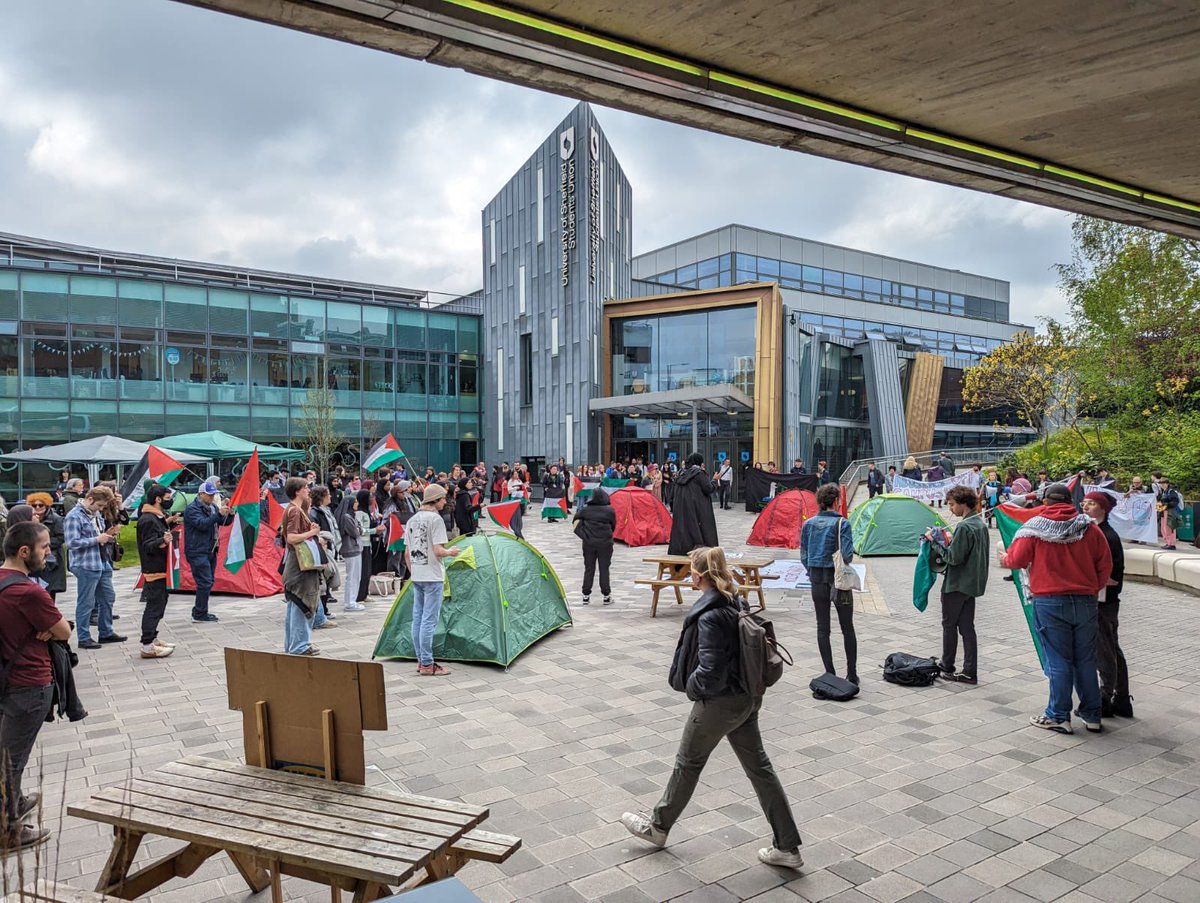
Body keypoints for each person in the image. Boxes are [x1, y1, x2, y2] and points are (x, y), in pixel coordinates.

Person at [620, 547, 803, 869]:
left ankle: (657, 827)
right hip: (747, 696)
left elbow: (710, 668)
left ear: (699, 575)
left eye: (692, 570)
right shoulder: (736, 601)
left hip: (720, 702)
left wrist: (692, 688)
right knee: (760, 769)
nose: (691, 575)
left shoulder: (710, 615)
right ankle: (787, 846)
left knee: (688, 763)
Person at [1000, 483, 1112, 734]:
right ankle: (1092, 714)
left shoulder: (1034, 528)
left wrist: (1004, 559)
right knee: (1085, 659)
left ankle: (1058, 715)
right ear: (1071, 500)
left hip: (1049, 601)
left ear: (1046, 502)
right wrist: (1093, 587)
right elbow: (1105, 564)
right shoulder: (1089, 528)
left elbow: (1016, 560)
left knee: (1058, 660)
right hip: (1085, 600)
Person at [0, 521, 71, 849]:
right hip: (28, 685)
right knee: (11, 760)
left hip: (7, 682)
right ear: (24, 551)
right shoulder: (29, 591)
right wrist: (54, 626)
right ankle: (8, 830)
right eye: (44, 547)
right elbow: (64, 632)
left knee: (8, 754)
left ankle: (14, 804)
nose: (50, 552)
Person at [928, 486, 988, 684]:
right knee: (967, 628)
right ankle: (969, 670)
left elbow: (953, 558)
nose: (951, 509)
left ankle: (947, 664)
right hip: (972, 584)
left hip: (957, 584)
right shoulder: (979, 523)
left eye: (952, 504)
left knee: (949, 625)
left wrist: (936, 543)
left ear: (963, 503)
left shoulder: (964, 526)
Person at [1081, 491, 1132, 719]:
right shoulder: (1098, 532)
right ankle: (1121, 698)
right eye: (1084, 503)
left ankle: (1106, 698)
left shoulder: (1106, 536)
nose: (1086, 507)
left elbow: (1112, 576)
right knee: (1112, 648)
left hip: (1104, 601)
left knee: (1105, 650)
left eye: (1091, 503)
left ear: (1103, 508)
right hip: (1105, 600)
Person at [800, 484, 857, 684]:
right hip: (838, 580)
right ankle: (852, 673)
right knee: (847, 627)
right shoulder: (843, 524)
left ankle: (830, 673)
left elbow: (804, 556)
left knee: (822, 627)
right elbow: (847, 556)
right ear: (835, 502)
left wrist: (812, 571)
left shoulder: (809, 524)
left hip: (817, 578)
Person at [405, 484, 460, 676]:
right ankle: (428, 664)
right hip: (433, 576)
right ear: (435, 500)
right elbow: (438, 550)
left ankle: (422, 661)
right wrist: (451, 552)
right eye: (443, 498)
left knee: (418, 619)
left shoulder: (412, 520)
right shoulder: (435, 520)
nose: (445, 501)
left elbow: (407, 554)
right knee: (429, 620)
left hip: (418, 575)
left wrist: (414, 572)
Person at [64, 487, 123, 650]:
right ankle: (84, 637)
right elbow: (71, 543)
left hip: (101, 560)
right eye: (100, 505)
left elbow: (98, 535)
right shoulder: (74, 517)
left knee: (108, 597)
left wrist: (108, 534)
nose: (101, 509)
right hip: (85, 564)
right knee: (86, 602)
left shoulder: (94, 514)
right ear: (89, 500)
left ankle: (106, 632)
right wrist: (97, 539)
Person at [135, 484, 179, 660]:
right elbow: (147, 545)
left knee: (160, 603)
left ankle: (152, 638)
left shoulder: (156, 517)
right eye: (168, 498)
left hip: (161, 568)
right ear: (158, 499)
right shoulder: (147, 519)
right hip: (154, 569)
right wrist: (163, 539)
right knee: (154, 606)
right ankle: (147, 645)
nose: (171, 501)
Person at [282, 478, 325, 656]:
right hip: (299, 566)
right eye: (305, 487)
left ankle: (293, 645)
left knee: (295, 605)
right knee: (302, 603)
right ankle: (299, 646)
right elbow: (291, 538)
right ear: (297, 491)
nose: (308, 490)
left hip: (296, 564)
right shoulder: (295, 511)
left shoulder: (296, 510)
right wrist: (313, 532)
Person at [183, 481, 232, 623]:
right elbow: (202, 524)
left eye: (213, 495)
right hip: (197, 550)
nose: (211, 497)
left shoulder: (212, 507)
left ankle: (200, 610)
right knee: (205, 582)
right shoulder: (192, 509)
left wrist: (229, 514)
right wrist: (218, 514)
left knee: (208, 581)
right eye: (209, 495)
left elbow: (223, 522)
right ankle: (199, 614)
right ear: (200, 494)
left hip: (210, 549)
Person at [667, 454, 719, 556]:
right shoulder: (699, 474)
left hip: (681, 509)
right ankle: (701, 554)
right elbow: (708, 488)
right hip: (697, 509)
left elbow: (672, 494)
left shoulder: (680, 474)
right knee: (699, 530)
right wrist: (715, 480)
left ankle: (681, 554)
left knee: (684, 530)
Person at [574, 487, 615, 606]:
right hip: (605, 543)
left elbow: (575, 524)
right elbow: (613, 525)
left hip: (589, 544)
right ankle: (606, 595)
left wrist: (584, 536)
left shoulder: (584, 510)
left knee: (589, 568)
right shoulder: (609, 511)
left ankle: (586, 595)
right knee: (604, 569)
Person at [26, 494, 65, 602]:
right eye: (34, 505)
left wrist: (43, 544)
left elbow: (61, 538)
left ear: (47, 505)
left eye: (41, 505)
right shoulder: (29, 518)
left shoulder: (55, 518)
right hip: (34, 558)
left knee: (49, 590)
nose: (37, 508)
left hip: (51, 558)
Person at [335, 493, 365, 612]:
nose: (357, 504)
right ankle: (350, 602)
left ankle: (352, 600)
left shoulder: (350, 516)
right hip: (351, 549)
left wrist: (359, 529)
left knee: (355, 576)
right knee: (352, 577)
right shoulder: (346, 517)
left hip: (354, 549)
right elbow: (356, 531)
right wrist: (359, 529)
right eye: (356, 502)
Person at [1157, 477, 1184, 550]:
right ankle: (1168, 542)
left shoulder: (1171, 492)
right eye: (1161, 483)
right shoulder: (1163, 492)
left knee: (1169, 527)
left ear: (1167, 483)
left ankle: (1172, 544)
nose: (1162, 485)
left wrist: (1166, 504)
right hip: (1163, 511)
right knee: (1163, 527)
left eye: (1163, 483)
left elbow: (1175, 501)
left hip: (1170, 511)